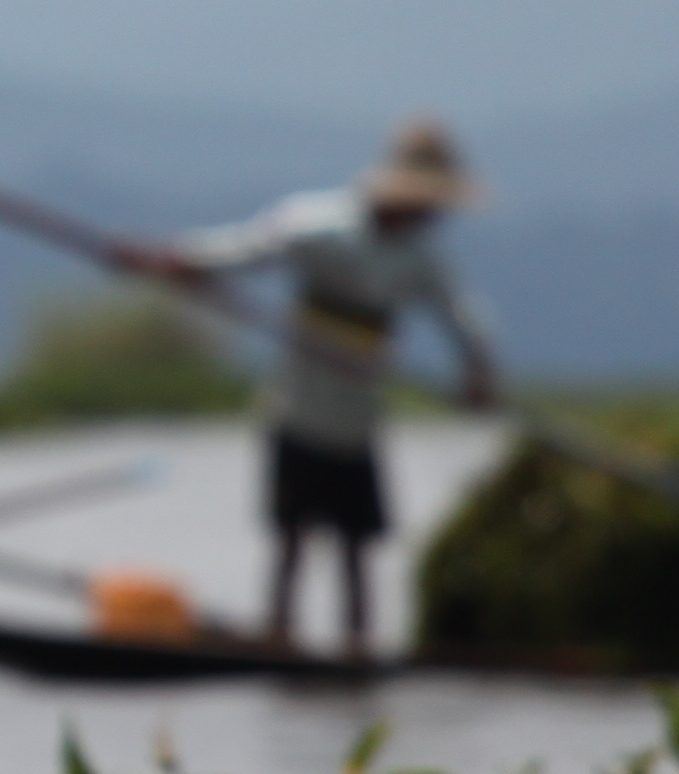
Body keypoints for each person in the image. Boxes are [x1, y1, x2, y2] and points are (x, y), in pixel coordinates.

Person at [123, 119, 498, 661]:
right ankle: (280, 636)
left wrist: (479, 371)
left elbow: (463, 318)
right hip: (299, 409)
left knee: (356, 544)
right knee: (291, 536)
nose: (432, 214)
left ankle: (356, 646)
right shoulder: (318, 228)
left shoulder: (419, 259)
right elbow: (243, 249)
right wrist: (178, 262)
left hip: (356, 418)